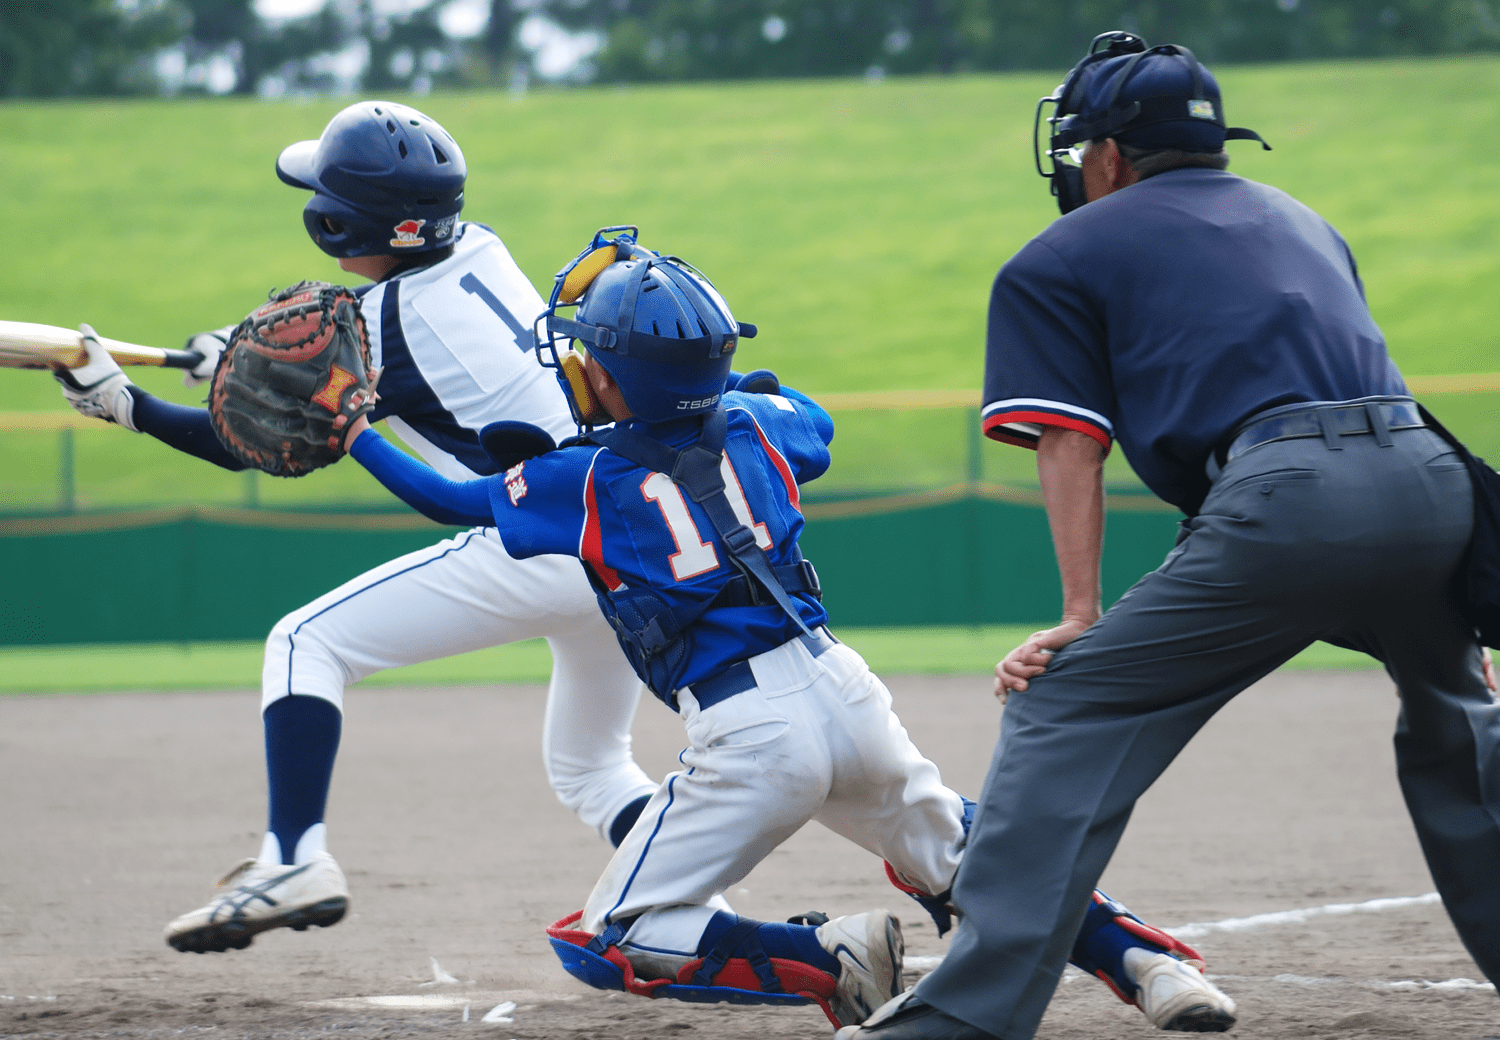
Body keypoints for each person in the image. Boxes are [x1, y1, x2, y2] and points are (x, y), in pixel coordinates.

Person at [340, 226, 1237, 1031]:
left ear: (613, 373)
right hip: (846, 694)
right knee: (973, 859)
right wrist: (713, 382)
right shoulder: (765, 422)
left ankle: (828, 959)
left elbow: (446, 498)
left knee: (611, 941)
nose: (578, 366)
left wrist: (357, 430)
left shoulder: (586, 478)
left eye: (590, 355)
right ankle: (1152, 967)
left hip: (748, 731)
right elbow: (813, 417)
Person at [839, 32, 1500, 1040]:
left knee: (1066, 706)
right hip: (1429, 482)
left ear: (1107, 155)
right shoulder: (1303, 220)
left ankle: (963, 1019)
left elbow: (1069, 441)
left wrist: (1078, 615)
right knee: (1457, 728)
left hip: (1290, 497)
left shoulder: (1059, 253)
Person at [52, 100, 660, 954]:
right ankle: (690, 905)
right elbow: (341, 331)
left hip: (532, 538)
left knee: (305, 644)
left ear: (334, 224)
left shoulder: (389, 327)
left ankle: (293, 856)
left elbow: (252, 439)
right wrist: (221, 349)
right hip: (617, 537)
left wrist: (129, 407)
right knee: (593, 766)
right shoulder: (477, 246)